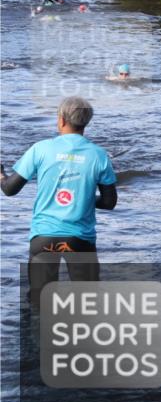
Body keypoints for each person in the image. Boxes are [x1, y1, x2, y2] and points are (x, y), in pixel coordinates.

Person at [0, 97, 118, 307]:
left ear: (62, 120)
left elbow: (10, 189)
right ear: (85, 123)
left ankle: (36, 337)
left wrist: (1, 175)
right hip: (80, 239)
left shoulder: (40, 149)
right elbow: (109, 203)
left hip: (44, 237)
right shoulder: (99, 156)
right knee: (88, 303)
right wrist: (84, 199)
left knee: (38, 303)